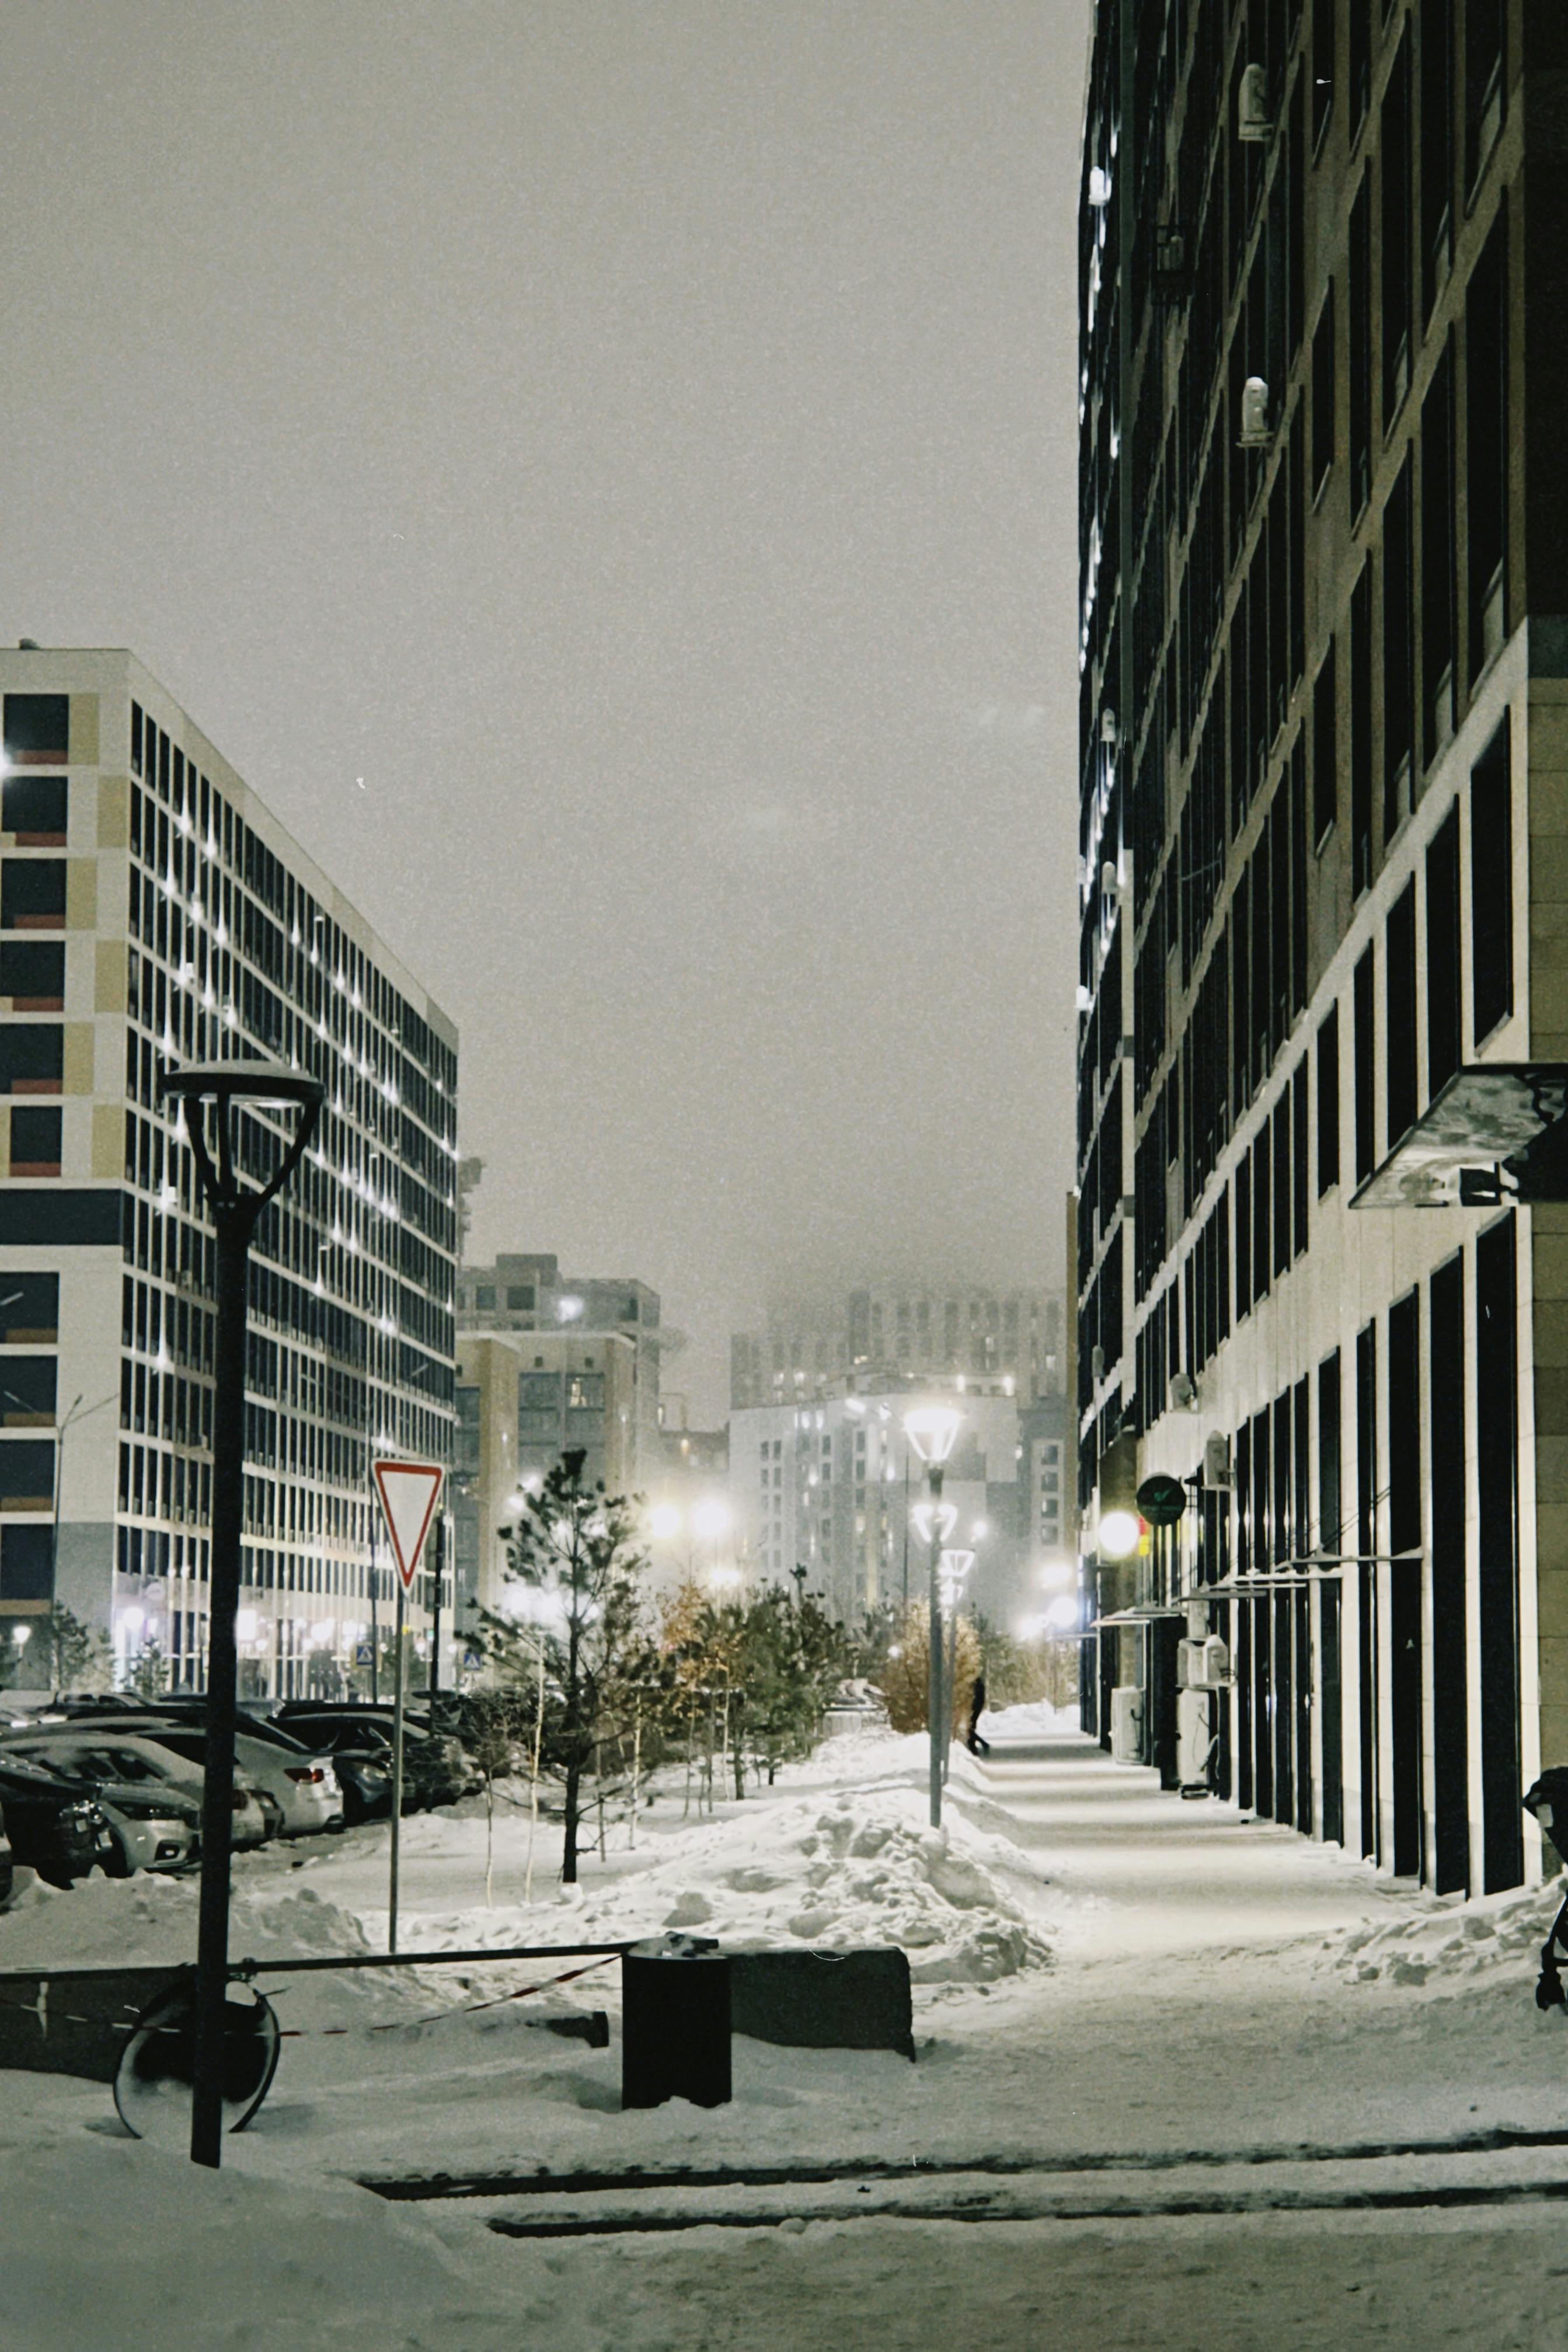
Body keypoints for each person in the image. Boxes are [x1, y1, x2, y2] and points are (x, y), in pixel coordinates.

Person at [967, 1673, 990, 1755]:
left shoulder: (975, 1684)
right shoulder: (978, 1683)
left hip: (973, 1709)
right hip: (976, 1708)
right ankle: (974, 1748)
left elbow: (975, 1697)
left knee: (969, 1729)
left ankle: (982, 1744)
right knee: (970, 1728)